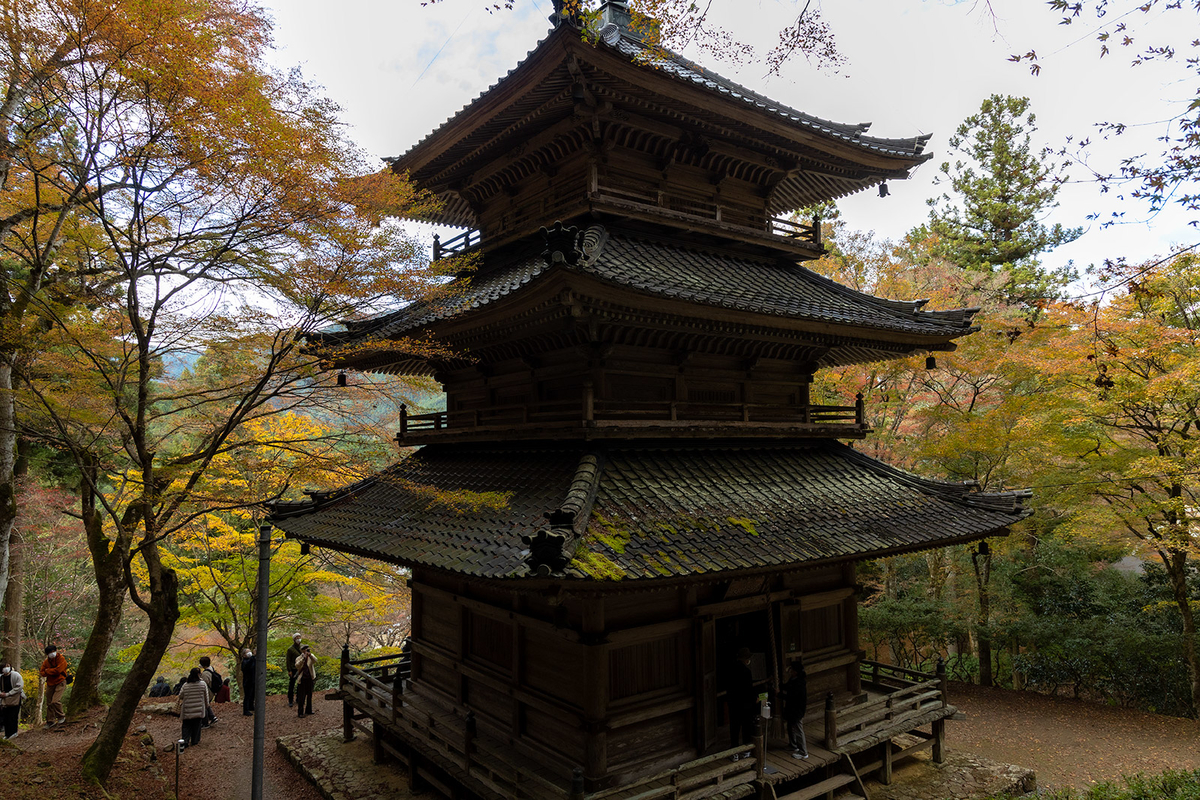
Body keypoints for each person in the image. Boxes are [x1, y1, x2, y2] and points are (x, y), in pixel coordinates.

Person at [728, 647, 757, 761]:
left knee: (734, 728)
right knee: (746, 728)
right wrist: (754, 699)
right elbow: (748, 689)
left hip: (734, 704)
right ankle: (746, 750)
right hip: (745, 705)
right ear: (745, 659)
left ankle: (734, 752)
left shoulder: (731, 670)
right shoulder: (746, 672)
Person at [176, 668, 210, 749]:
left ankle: (185, 741)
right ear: (199, 674)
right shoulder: (202, 684)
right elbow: (206, 696)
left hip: (187, 708)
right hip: (198, 709)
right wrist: (207, 705)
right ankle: (195, 740)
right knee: (197, 725)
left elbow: (180, 695)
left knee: (186, 725)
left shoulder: (186, 685)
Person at [782, 662, 809, 759]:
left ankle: (803, 752)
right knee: (790, 726)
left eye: (792, 670)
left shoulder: (799, 683)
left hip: (797, 709)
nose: (790, 671)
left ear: (796, 672)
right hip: (791, 708)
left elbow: (791, 697)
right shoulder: (793, 680)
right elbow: (787, 687)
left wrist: (778, 694)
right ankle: (793, 745)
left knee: (798, 729)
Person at [39, 644, 69, 727]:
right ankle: (50, 720)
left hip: (60, 682)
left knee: (55, 701)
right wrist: (51, 671)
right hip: (50, 683)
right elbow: (42, 672)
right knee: (49, 703)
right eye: (50, 652)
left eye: (53, 652)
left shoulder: (61, 659)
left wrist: (48, 671)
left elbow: (59, 670)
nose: (52, 654)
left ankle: (61, 716)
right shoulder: (46, 662)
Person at [0, 662, 25, 739]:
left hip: (15, 698)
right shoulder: (1, 677)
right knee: (5, 716)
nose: (6, 668)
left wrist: (9, 693)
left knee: (13, 716)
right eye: (5, 667)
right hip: (5, 699)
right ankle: (7, 734)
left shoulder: (16, 675)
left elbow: (19, 686)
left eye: (8, 666)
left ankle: (14, 732)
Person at [295, 644, 317, 717]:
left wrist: (310, 655)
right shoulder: (299, 658)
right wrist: (303, 658)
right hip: (302, 679)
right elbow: (297, 665)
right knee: (302, 696)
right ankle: (300, 712)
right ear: (302, 650)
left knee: (309, 695)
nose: (306, 650)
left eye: (307, 649)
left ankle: (309, 710)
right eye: (304, 649)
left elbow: (315, 661)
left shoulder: (311, 656)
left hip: (310, 678)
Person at [198, 656, 219, 727]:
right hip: (212, 690)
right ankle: (212, 717)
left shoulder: (205, 673)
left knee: (204, 706)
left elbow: (203, 683)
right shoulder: (211, 669)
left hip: (208, 691)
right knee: (206, 705)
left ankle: (205, 723)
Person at [285, 633, 303, 708]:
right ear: (294, 639)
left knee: (300, 684)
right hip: (293, 668)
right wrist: (289, 670)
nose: (298, 639)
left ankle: (299, 699)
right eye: (297, 637)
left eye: (299, 637)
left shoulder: (302, 647)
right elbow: (288, 660)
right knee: (292, 685)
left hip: (301, 668)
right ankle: (290, 700)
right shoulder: (290, 649)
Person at [241, 649, 256, 716]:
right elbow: (247, 666)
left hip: (252, 680)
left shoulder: (252, 660)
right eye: (247, 652)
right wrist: (253, 656)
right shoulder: (244, 662)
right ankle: (245, 710)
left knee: (252, 694)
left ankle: (251, 706)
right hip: (247, 681)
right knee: (247, 696)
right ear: (244, 655)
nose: (249, 653)